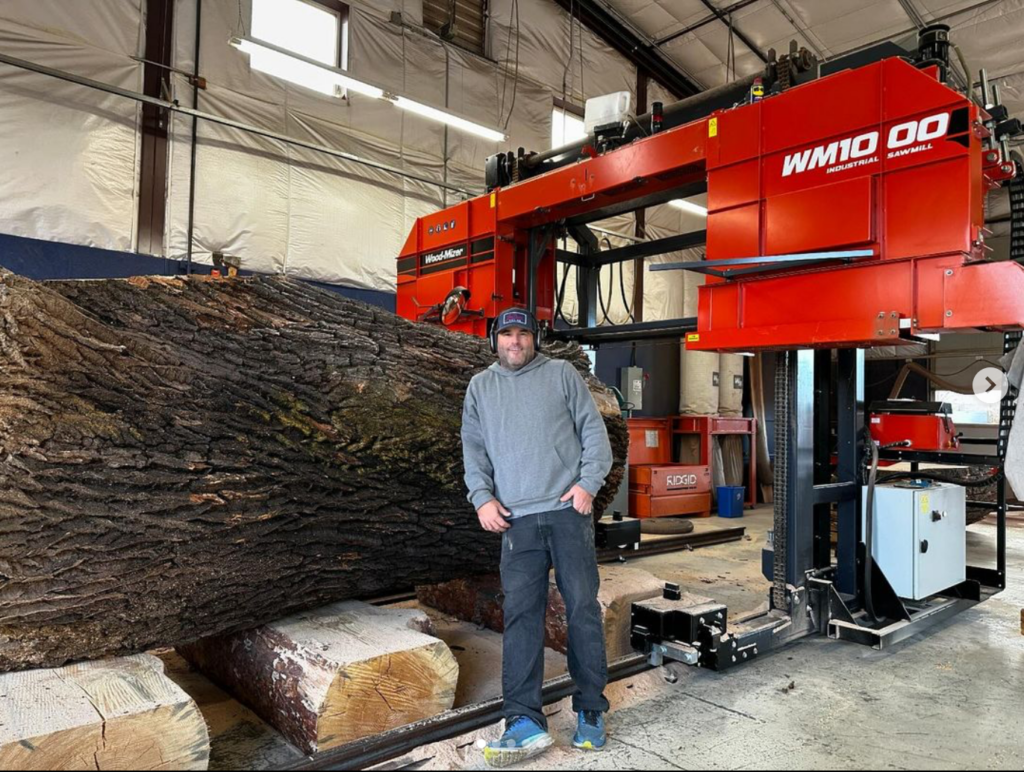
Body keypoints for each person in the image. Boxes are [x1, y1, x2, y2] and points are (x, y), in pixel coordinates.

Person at [461, 307, 614, 767]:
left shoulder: (562, 375)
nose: (514, 341)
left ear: (535, 339)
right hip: (517, 522)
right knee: (522, 617)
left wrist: (587, 485)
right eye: (506, 334)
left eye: (522, 334)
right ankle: (523, 720)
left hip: (567, 514)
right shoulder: (480, 388)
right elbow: (473, 448)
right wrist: (481, 498)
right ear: (494, 340)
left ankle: (590, 709)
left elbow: (594, 433)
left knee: (583, 609)